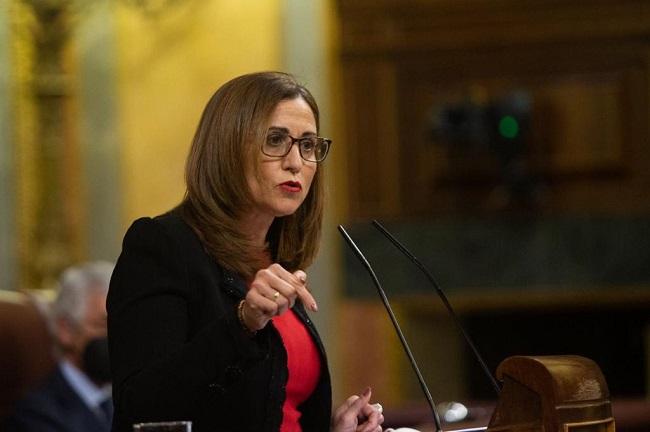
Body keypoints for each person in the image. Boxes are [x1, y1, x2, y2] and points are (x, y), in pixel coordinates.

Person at [107, 71, 384, 432]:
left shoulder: (277, 259)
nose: (295, 162)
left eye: (308, 145)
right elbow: (141, 405)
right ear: (227, 146)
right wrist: (243, 323)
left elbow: (272, 410)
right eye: (275, 139)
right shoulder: (163, 245)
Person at [8, 261, 114, 432]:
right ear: (66, 330)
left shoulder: (129, 399)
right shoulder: (37, 415)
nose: (115, 337)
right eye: (102, 325)